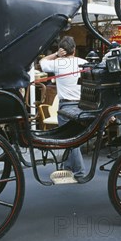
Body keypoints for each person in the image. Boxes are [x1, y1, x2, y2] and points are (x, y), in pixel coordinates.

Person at [39, 36, 87, 178]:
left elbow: (42, 62)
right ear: (74, 49)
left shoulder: (58, 63)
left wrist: (56, 55)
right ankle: (68, 167)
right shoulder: (83, 62)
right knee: (74, 138)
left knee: (70, 139)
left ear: (62, 50)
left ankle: (79, 171)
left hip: (66, 105)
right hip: (82, 104)